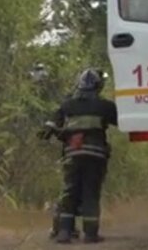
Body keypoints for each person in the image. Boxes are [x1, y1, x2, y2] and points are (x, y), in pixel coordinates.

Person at [38, 68, 118, 244]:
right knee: (91, 192)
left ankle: (64, 232)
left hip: (72, 154)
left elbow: (50, 126)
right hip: (95, 155)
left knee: (70, 192)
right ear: (98, 87)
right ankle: (90, 234)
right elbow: (121, 120)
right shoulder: (105, 106)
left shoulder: (67, 105)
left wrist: (48, 131)